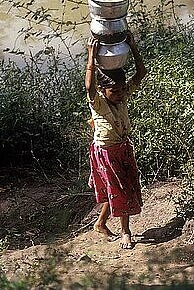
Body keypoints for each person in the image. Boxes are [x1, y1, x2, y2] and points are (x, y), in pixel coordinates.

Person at [85, 31, 147, 249]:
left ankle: (100, 223)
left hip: (122, 148)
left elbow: (140, 74)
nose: (120, 93)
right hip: (107, 151)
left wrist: (133, 46)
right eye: (115, 90)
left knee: (122, 187)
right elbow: (89, 87)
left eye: (122, 89)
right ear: (103, 90)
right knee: (119, 189)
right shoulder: (98, 103)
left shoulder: (122, 95)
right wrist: (91, 56)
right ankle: (126, 231)